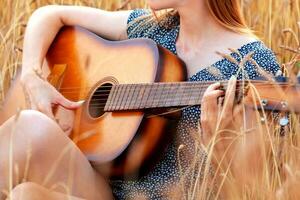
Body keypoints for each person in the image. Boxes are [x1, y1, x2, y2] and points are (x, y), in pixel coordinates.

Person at [0, 0, 280, 199]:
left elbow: (251, 188)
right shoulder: (150, 28)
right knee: (28, 149)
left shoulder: (253, 64)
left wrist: (220, 144)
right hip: (103, 188)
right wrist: (31, 76)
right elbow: (49, 15)